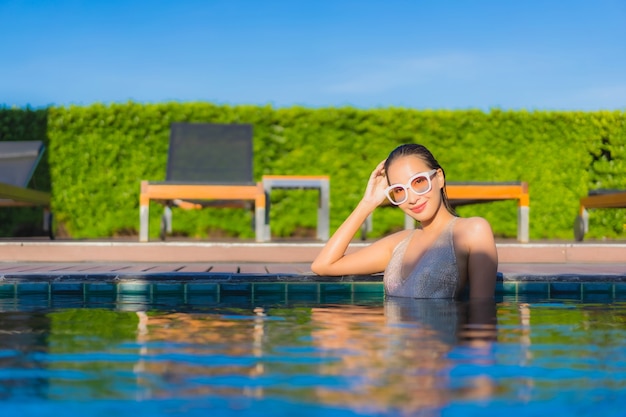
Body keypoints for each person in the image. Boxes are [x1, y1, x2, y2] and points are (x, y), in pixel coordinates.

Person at [311, 143, 498, 300]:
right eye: (399, 190)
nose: (412, 198)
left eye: (419, 182)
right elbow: (323, 265)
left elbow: (481, 315)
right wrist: (368, 203)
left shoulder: (472, 231)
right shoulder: (398, 243)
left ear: (439, 178)